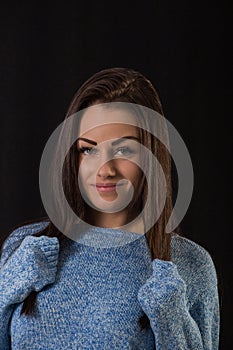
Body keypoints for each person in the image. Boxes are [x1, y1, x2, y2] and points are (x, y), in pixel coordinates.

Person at [0, 67, 220, 349]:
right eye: (88, 149)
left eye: (124, 150)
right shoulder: (23, 248)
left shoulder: (190, 265)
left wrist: (171, 320)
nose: (105, 170)